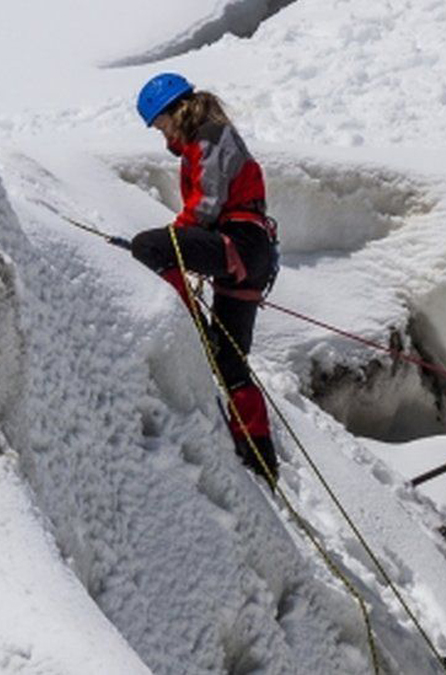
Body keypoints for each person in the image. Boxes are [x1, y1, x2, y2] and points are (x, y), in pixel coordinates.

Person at [129, 73, 280, 483]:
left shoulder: (210, 136)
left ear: (175, 111)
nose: (162, 135)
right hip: (252, 250)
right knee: (230, 362)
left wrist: (180, 237)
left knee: (149, 247)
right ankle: (261, 459)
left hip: (239, 240)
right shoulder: (212, 137)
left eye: (161, 124)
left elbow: (206, 203)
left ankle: (188, 328)